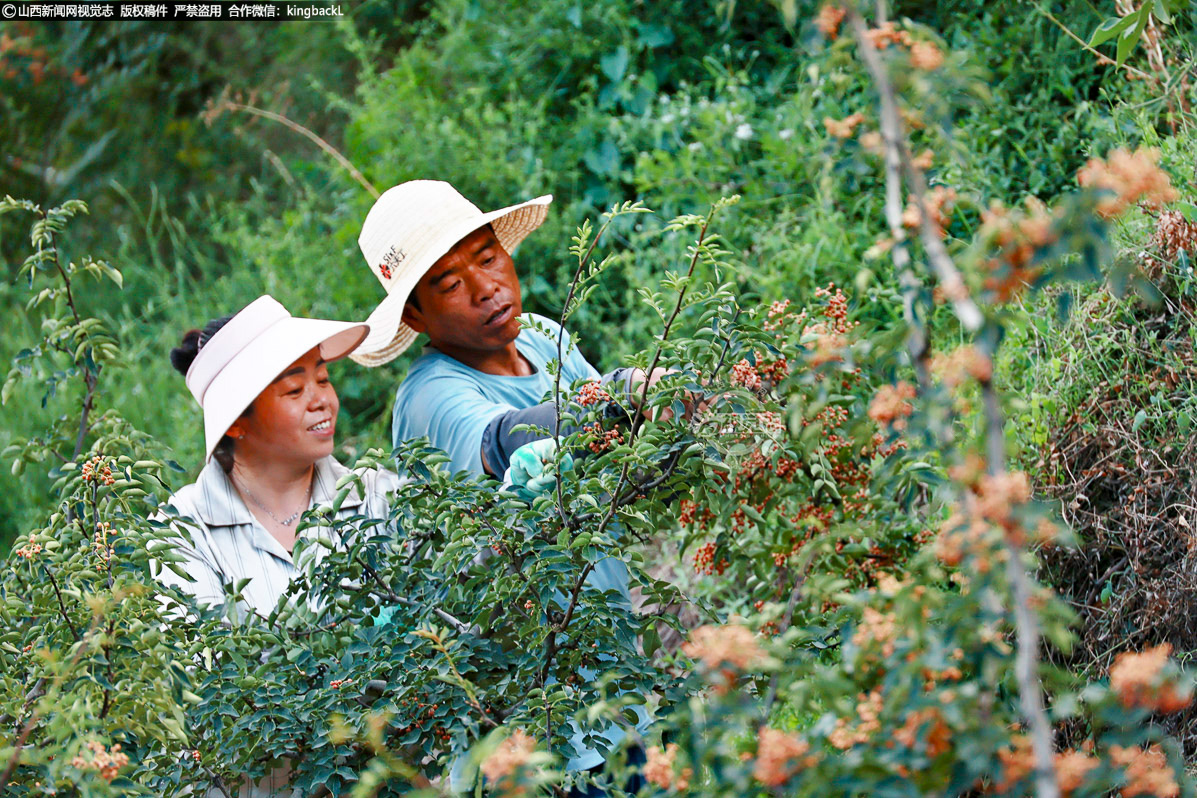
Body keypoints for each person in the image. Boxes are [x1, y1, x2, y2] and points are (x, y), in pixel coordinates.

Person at [350, 180, 653, 791]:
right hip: (530, 733)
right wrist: (628, 391)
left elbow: (620, 452)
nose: (486, 287)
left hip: (616, 693)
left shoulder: (543, 337)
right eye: (450, 283)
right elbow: (502, 440)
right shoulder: (431, 395)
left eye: (487, 258)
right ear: (414, 315)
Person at [156, 294, 398, 621]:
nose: (322, 400)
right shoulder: (186, 528)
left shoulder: (375, 495)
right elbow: (204, 660)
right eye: (295, 390)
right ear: (237, 422)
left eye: (323, 380)